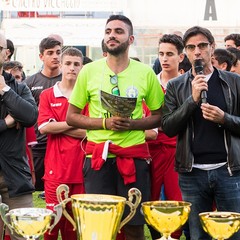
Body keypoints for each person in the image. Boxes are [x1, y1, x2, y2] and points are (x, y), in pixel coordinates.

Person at [66, 14, 164, 240]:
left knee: (133, 224)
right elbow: (71, 117)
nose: (112, 35)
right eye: (108, 31)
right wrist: (104, 123)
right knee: (99, 226)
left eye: (119, 31)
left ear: (130, 39)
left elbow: (160, 116)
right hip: (98, 158)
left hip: (134, 158)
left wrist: (133, 124)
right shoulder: (89, 71)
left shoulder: (145, 73)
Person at [162, 26, 240, 240]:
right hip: (192, 173)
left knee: (233, 234)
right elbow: (168, 127)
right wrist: (192, 100)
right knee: (197, 236)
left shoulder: (234, 81)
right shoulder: (176, 86)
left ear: (212, 48)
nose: (197, 52)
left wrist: (224, 118)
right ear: (185, 52)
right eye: (191, 47)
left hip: (229, 170)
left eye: (202, 45)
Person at [38, 47, 86, 240]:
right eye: (68, 63)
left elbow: (91, 132)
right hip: (55, 172)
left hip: (81, 171)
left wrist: (59, 125)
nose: (72, 68)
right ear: (61, 64)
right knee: (51, 226)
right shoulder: (48, 95)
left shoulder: (87, 96)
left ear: (82, 67)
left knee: (74, 229)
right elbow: (44, 128)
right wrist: (75, 122)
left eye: (76, 64)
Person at [0, 32, 38, 240]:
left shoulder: (18, 87)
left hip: (15, 174)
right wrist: (5, 123)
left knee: (25, 235)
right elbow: (16, 118)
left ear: (6, 54)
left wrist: (5, 90)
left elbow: (30, 116)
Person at [147, 34, 185, 240]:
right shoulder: (149, 82)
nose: (165, 58)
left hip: (177, 149)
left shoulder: (187, 84)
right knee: (149, 201)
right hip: (150, 149)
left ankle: (174, 236)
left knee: (177, 202)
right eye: (161, 54)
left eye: (170, 54)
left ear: (180, 56)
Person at [24, 37, 62, 193]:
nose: (55, 56)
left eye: (58, 52)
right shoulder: (30, 82)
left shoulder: (69, 81)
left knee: (60, 190)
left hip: (62, 144)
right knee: (35, 191)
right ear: (41, 56)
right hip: (38, 145)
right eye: (50, 53)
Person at [3, 60, 37, 185]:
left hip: (16, 171)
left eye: (18, 77)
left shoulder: (21, 90)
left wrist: (32, 171)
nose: (15, 81)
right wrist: (5, 123)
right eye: (11, 76)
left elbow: (30, 117)